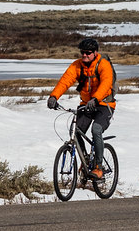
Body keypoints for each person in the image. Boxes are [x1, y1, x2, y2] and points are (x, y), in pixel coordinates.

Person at [47, 37, 116, 180]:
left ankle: (98, 167)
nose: (85, 55)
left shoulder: (103, 65)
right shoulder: (77, 66)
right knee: (76, 132)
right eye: (82, 52)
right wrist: (54, 96)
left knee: (96, 129)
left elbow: (106, 83)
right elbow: (65, 81)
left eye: (88, 53)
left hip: (104, 105)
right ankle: (86, 161)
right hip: (86, 105)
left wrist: (96, 99)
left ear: (95, 53)